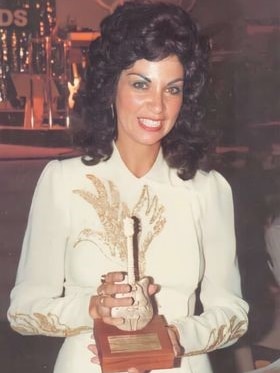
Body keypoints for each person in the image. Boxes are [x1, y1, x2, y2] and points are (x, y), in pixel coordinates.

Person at [7, 2, 249, 373]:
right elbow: (23, 311)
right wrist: (91, 307)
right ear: (110, 87)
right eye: (140, 84)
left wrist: (179, 337)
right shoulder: (63, 181)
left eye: (173, 89)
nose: (157, 105)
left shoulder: (207, 189)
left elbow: (233, 312)